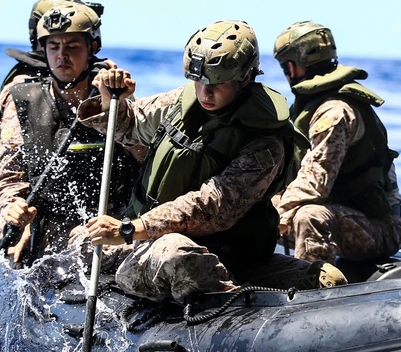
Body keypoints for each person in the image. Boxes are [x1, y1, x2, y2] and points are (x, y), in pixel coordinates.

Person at [80, 20, 346, 304]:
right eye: (200, 81)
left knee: (328, 280)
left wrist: (130, 229)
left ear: (245, 78)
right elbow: (132, 124)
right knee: (94, 242)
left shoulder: (265, 141)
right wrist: (111, 102)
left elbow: (214, 204)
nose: (205, 93)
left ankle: (236, 307)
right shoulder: (181, 103)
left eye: (218, 83)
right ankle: (231, 301)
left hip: (233, 254)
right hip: (152, 242)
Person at [0, 2, 141, 265]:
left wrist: (111, 107)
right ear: (43, 50)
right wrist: (11, 209)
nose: (62, 56)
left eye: (72, 47)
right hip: (52, 223)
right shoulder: (24, 101)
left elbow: (144, 156)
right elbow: (8, 176)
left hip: (112, 220)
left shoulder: (115, 97)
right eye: (54, 47)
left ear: (92, 49)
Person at [271, 21, 401, 265]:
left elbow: (315, 184)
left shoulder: (334, 112)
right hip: (345, 213)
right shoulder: (315, 106)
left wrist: (272, 220)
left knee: (309, 217)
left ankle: (315, 290)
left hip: (380, 228)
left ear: (291, 67)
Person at [0, 0, 104, 229]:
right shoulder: (23, 89)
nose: (62, 54)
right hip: (5, 187)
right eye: (54, 43)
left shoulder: (97, 79)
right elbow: (11, 168)